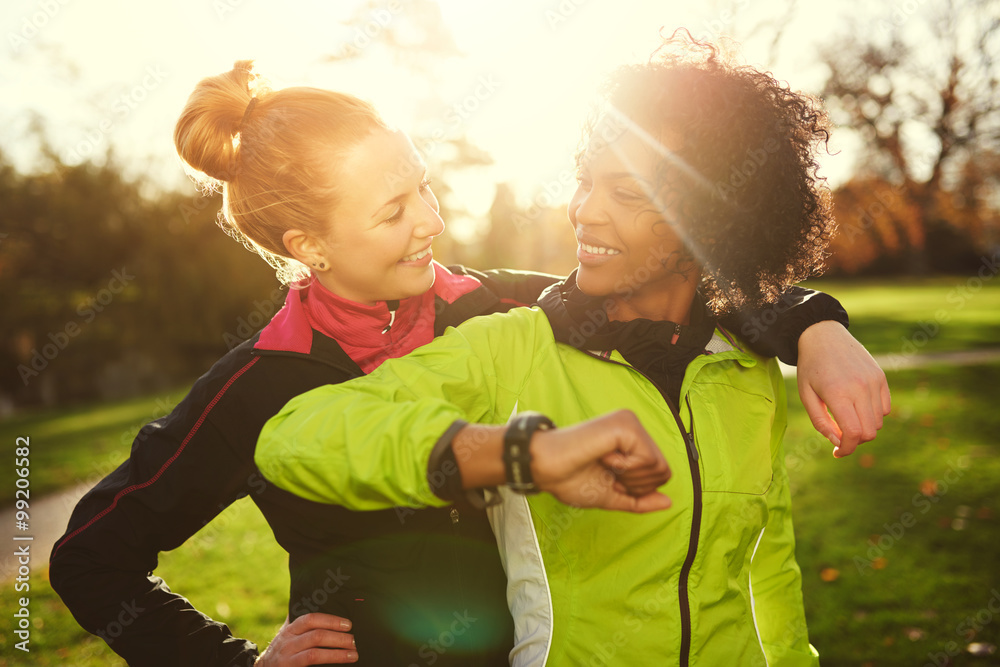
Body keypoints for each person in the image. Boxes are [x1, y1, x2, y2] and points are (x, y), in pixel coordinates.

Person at [50, 51, 886, 666]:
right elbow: (90, 555)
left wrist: (815, 324)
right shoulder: (255, 386)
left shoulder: (503, 307)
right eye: (392, 211)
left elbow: (669, 274)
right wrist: (235, 665)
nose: (431, 221)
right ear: (309, 243)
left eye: (423, 186)